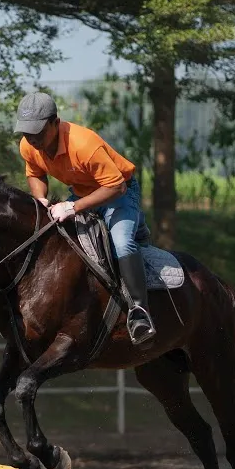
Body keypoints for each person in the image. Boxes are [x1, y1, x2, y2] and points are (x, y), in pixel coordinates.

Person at [15, 90, 156, 344]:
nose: (32, 139)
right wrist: (40, 198)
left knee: (122, 242)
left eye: (38, 132)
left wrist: (72, 208)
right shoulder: (28, 145)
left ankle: (139, 311)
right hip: (82, 194)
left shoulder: (83, 145)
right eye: (27, 133)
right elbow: (35, 174)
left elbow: (116, 187)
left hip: (119, 194)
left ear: (55, 123)